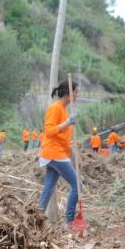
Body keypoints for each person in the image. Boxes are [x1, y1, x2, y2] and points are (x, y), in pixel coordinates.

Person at [38, 79, 80, 225]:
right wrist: (67, 123)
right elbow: (49, 131)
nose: (77, 95)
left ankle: (35, 219)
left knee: (49, 187)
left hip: (57, 152)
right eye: (75, 92)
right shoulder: (55, 108)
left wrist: (72, 153)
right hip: (54, 152)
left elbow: (63, 135)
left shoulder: (63, 109)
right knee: (77, 185)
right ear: (68, 93)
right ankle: (70, 221)